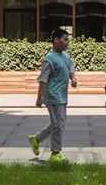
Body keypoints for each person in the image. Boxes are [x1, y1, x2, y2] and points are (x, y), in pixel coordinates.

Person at [28, 28, 77, 161]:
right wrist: (39, 98)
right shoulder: (49, 59)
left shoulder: (65, 55)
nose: (67, 43)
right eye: (65, 40)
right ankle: (55, 153)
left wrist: (73, 78)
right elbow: (43, 79)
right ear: (56, 40)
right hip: (53, 96)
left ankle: (36, 139)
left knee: (58, 123)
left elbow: (70, 67)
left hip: (62, 95)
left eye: (67, 40)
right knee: (59, 124)